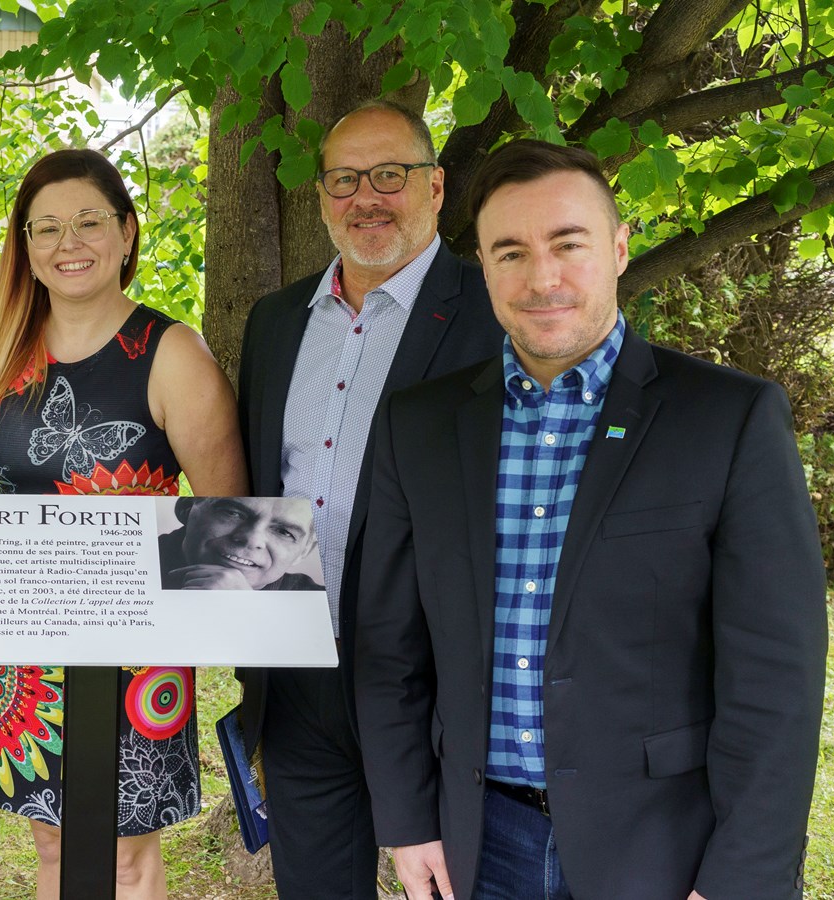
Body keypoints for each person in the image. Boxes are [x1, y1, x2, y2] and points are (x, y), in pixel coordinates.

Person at [355, 139, 827, 900]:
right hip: (481, 845)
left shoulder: (728, 419)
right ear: (483, 267)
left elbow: (776, 681)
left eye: (567, 244)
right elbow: (389, 650)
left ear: (616, 248)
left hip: (668, 849)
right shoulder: (419, 426)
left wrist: (742, 878)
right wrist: (408, 822)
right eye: (510, 253)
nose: (541, 278)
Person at [233, 99, 503, 897]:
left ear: (436, 187)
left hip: (435, 677)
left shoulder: (495, 313)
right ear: (320, 196)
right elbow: (259, 486)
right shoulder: (276, 322)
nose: (367, 198)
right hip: (298, 672)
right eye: (345, 180)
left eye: (391, 175)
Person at [0, 147, 246, 899]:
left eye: (89, 221)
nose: (69, 242)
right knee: (54, 845)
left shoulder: (171, 352)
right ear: (25, 246)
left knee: (123, 857)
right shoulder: (9, 352)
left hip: (134, 645)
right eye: (46, 227)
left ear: (127, 233)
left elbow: (226, 521)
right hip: (25, 645)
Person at [158, 496, 321, 591]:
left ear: (305, 551)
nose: (252, 539)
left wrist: (246, 611)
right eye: (232, 513)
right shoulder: (134, 561)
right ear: (186, 509)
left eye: (284, 532)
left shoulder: (318, 603)